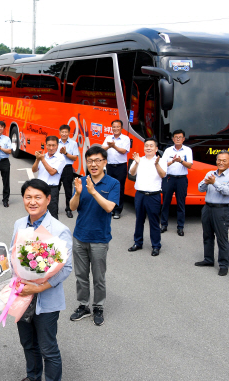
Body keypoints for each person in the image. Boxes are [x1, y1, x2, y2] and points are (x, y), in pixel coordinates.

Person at [7, 179, 73, 381]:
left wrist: (40, 287)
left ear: (48, 199)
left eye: (37, 197)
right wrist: (0, 272)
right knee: (27, 342)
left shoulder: (59, 230)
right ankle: (33, 378)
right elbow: (11, 255)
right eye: (27, 197)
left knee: (48, 346)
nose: (32, 202)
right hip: (21, 295)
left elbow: (65, 268)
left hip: (45, 297)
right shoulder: (18, 224)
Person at [68, 146, 119, 326]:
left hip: (99, 238)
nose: (93, 164)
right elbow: (73, 207)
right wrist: (79, 193)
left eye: (97, 160)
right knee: (81, 275)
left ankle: (98, 307)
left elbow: (109, 207)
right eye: (90, 161)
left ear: (105, 162)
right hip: (80, 236)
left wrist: (93, 192)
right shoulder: (81, 181)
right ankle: (83, 305)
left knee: (98, 277)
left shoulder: (113, 183)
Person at [196, 150, 229, 276]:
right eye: (219, 160)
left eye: (224, 160)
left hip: (222, 210)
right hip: (207, 208)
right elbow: (200, 188)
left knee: (222, 238)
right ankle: (208, 259)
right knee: (207, 235)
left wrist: (215, 183)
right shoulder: (210, 173)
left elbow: (228, 191)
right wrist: (206, 182)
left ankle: (223, 265)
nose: (221, 162)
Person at [128, 139, 167, 256]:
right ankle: (138, 242)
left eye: (151, 146)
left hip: (153, 196)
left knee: (154, 222)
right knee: (139, 220)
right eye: (146, 146)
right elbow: (132, 173)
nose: (148, 148)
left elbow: (163, 175)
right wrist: (136, 162)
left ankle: (156, 246)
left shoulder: (161, 160)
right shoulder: (139, 159)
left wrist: (156, 165)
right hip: (140, 194)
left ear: (156, 149)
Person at [160, 129, 193, 236]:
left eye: (180, 137)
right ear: (173, 139)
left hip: (182, 179)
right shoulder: (168, 150)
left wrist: (181, 161)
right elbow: (163, 164)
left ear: (183, 139)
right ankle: (164, 224)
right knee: (165, 202)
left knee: (181, 203)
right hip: (169, 178)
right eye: (176, 137)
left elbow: (190, 165)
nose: (178, 139)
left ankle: (180, 227)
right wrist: (173, 161)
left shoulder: (187, 150)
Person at [32, 136, 65, 219]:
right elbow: (34, 170)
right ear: (45, 145)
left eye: (53, 145)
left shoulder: (61, 158)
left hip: (51, 189)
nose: (51, 148)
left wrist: (42, 159)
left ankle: (52, 232)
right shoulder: (43, 156)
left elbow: (52, 172)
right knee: (38, 212)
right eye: (49, 145)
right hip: (39, 188)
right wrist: (37, 159)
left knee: (52, 214)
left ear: (57, 145)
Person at [103, 120, 131, 219]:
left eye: (118, 127)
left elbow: (124, 151)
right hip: (110, 166)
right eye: (114, 127)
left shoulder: (125, 138)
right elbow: (102, 149)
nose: (115, 129)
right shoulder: (108, 138)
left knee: (119, 188)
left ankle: (118, 210)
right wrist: (108, 146)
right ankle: (110, 208)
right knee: (109, 188)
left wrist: (114, 146)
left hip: (121, 167)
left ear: (121, 128)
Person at [57, 124, 79, 218]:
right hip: (57, 168)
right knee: (55, 190)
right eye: (62, 132)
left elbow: (75, 157)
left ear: (69, 133)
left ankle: (68, 209)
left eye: (66, 132)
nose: (64, 134)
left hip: (67, 168)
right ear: (60, 132)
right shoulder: (56, 142)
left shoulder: (73, 143)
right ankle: (54, 208)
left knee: (68, 190)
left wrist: (65, 153)